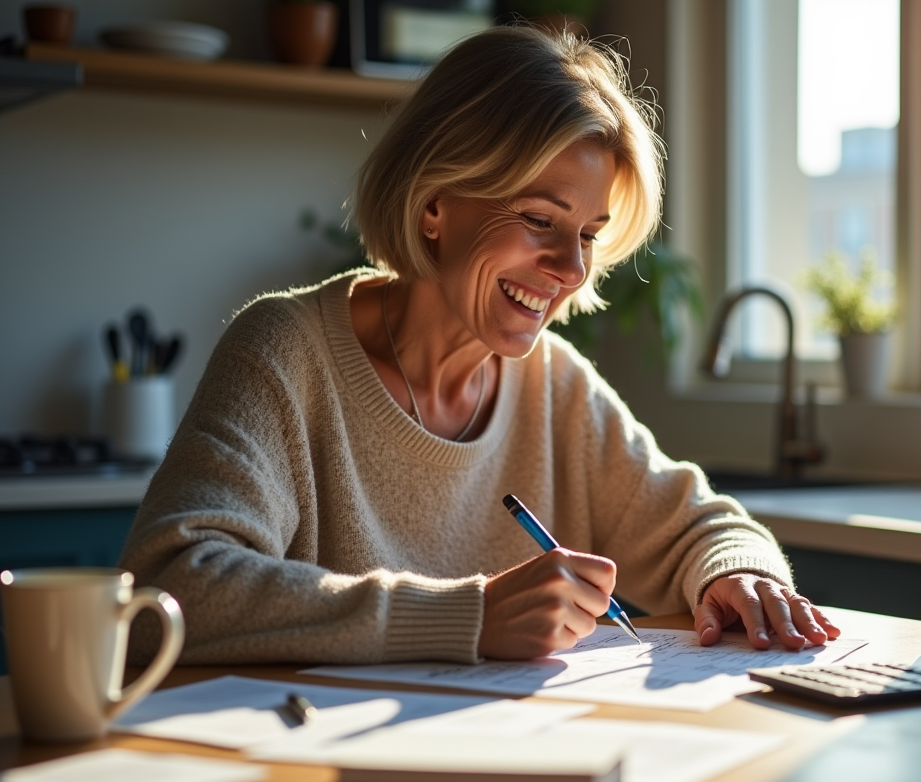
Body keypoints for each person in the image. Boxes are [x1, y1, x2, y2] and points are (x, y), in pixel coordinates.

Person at [119, 25, 840, 666]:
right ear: (436, 203)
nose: (572, 268)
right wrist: (467, 616)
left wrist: (737, 572)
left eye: (589, 234)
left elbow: (700, 526)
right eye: (538, 219)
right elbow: (170, 586)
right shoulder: (287, 352)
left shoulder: (555, 383)